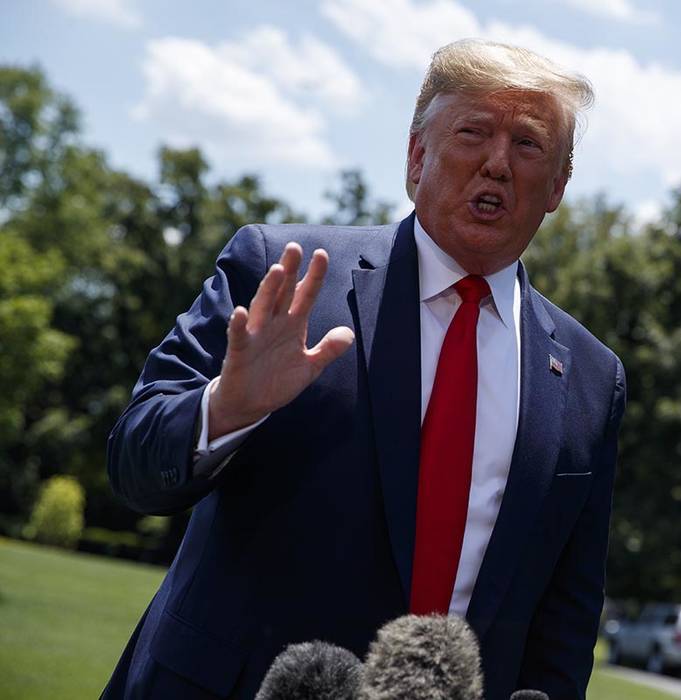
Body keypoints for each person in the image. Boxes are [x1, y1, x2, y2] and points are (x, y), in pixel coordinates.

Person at [103, 39, 625, 700]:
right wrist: (224, 410)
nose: (497, 163)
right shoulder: (282, 274)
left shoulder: (589, 377)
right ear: (417, 156)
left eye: (529, 145)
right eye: (473, 133)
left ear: (557, 186)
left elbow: (567, 618)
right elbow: (134, 464)